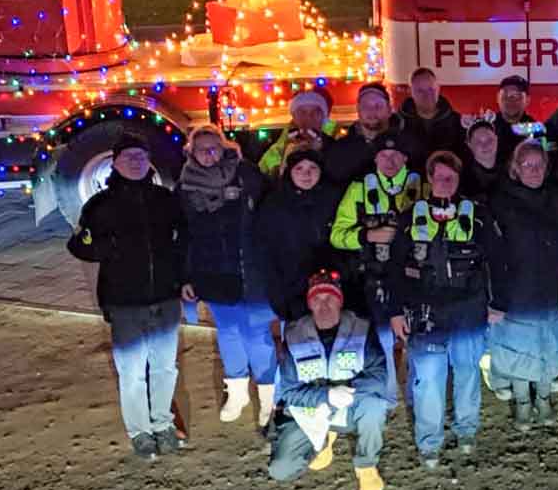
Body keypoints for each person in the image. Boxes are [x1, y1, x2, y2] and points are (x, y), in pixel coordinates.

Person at [66, 132, 188, 461]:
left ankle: (163, 423)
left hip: (165, 297)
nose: (136, 162)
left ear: (149, 161)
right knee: (132, 373)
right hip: (124, 302)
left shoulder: (164, 199)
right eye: (128, 156)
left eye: (141, 156)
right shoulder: (100, 205)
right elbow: (79, 246)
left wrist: (184, 279)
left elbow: (181, 242)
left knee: (165, 368)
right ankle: (140, 432)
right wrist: (109, 247)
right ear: (115, 163)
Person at [390, 151, 492, 469]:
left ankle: (467, 430)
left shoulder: (476, 215)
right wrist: (395, 311)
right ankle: (429, 442)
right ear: (430, 179)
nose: (446, 183)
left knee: (467, 372)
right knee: (429, 380)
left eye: (452, 177)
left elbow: (495, 260)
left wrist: (495, 304)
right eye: (440, 177)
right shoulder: (409, 218)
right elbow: (393, 267)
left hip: (468, 311)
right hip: (426, 313)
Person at [177, 124, 277, 427]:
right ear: (191, 153)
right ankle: (237, 390)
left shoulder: (246, 175)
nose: (209, 154)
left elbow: (269, 212)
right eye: (202, 149)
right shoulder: (184, 188)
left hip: (250, 269)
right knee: (229, 331)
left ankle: (269, 395)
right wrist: (185, 276)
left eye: (214, 148)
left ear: (224, 148)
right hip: (212, 271)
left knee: (256, 333)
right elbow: (182, 235)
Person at [267, 271, 393, 490]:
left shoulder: (361, 329)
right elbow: (289, 391)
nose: (323, 304)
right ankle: (322, 441)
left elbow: (378, 377)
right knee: (280, 470)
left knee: (374, 406)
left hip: (350, 405)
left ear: (340, 301)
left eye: (330, 298)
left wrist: (348, 393)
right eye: (317, 299)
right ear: (309, 304)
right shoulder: (294, 335)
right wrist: (326, 396)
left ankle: (366, 465)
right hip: (311, 411)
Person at [487, 139, 558, 431]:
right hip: (515, 291)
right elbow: (492, 251)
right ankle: (523, 401)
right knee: (518, 349)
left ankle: (545, 398)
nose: (534, 170)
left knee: (549, 345)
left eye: (539, 165)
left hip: (552, 287)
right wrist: (495, 297)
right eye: (527, 165)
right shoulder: (500, 201)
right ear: (516, 168)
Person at [329, 133, 422, 401]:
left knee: (415, 339)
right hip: (373, 279)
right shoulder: (358, 188)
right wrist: (367, 235)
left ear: (405, 158)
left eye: (395, 156)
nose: (389, 161)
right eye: (383, 155)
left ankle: (416, 395)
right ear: (375, 159)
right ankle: (388, 395)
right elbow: (337, 235)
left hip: (413, 277)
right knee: (382, 341)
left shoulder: (422, 185)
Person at [256, 146, 341, 323]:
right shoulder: (274, 203)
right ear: (290, 171)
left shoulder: (335, 197)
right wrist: (278, 298)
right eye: (299, 168)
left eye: (312, 168)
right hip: (292, 290)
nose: (306, 174)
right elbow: (266, 252)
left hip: (334, 288)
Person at [325, 81, 404, 186]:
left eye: (378, 106)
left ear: (389, 110)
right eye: (366, 106)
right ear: (358, 110)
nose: (372, 111)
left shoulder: (407, 144)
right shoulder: (339, 150)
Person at [258, 88, 338, 177]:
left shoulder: (336, 147)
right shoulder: (279, 149)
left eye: (315, 112)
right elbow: (261, 177)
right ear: (294, 116)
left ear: (324, 116)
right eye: (302, 112)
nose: (308, 117)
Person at [400, 68, 465, 163]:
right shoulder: (398, 123)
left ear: (438, 88)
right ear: (410, 91)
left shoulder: (457, 122)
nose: (427, 95)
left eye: (431, 89)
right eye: (420, 91)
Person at [460, 122, 504, 200]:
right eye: (478, 142)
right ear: (469, 145)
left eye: (489, 140)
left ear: (496, 139)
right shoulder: (464, 181)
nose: (485, 145)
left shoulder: (513, 167)